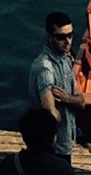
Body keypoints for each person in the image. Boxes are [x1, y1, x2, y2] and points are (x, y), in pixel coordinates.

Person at [28, 14, 82, 153]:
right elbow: (51, 115)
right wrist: (71, 102)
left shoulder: (65, 60)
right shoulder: (45, 68)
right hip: (52, 148)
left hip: (65, 143)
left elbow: (81, 101)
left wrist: (66, 98)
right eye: (61, 37)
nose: (68, 41)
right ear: (49, 37)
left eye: (70, 35)